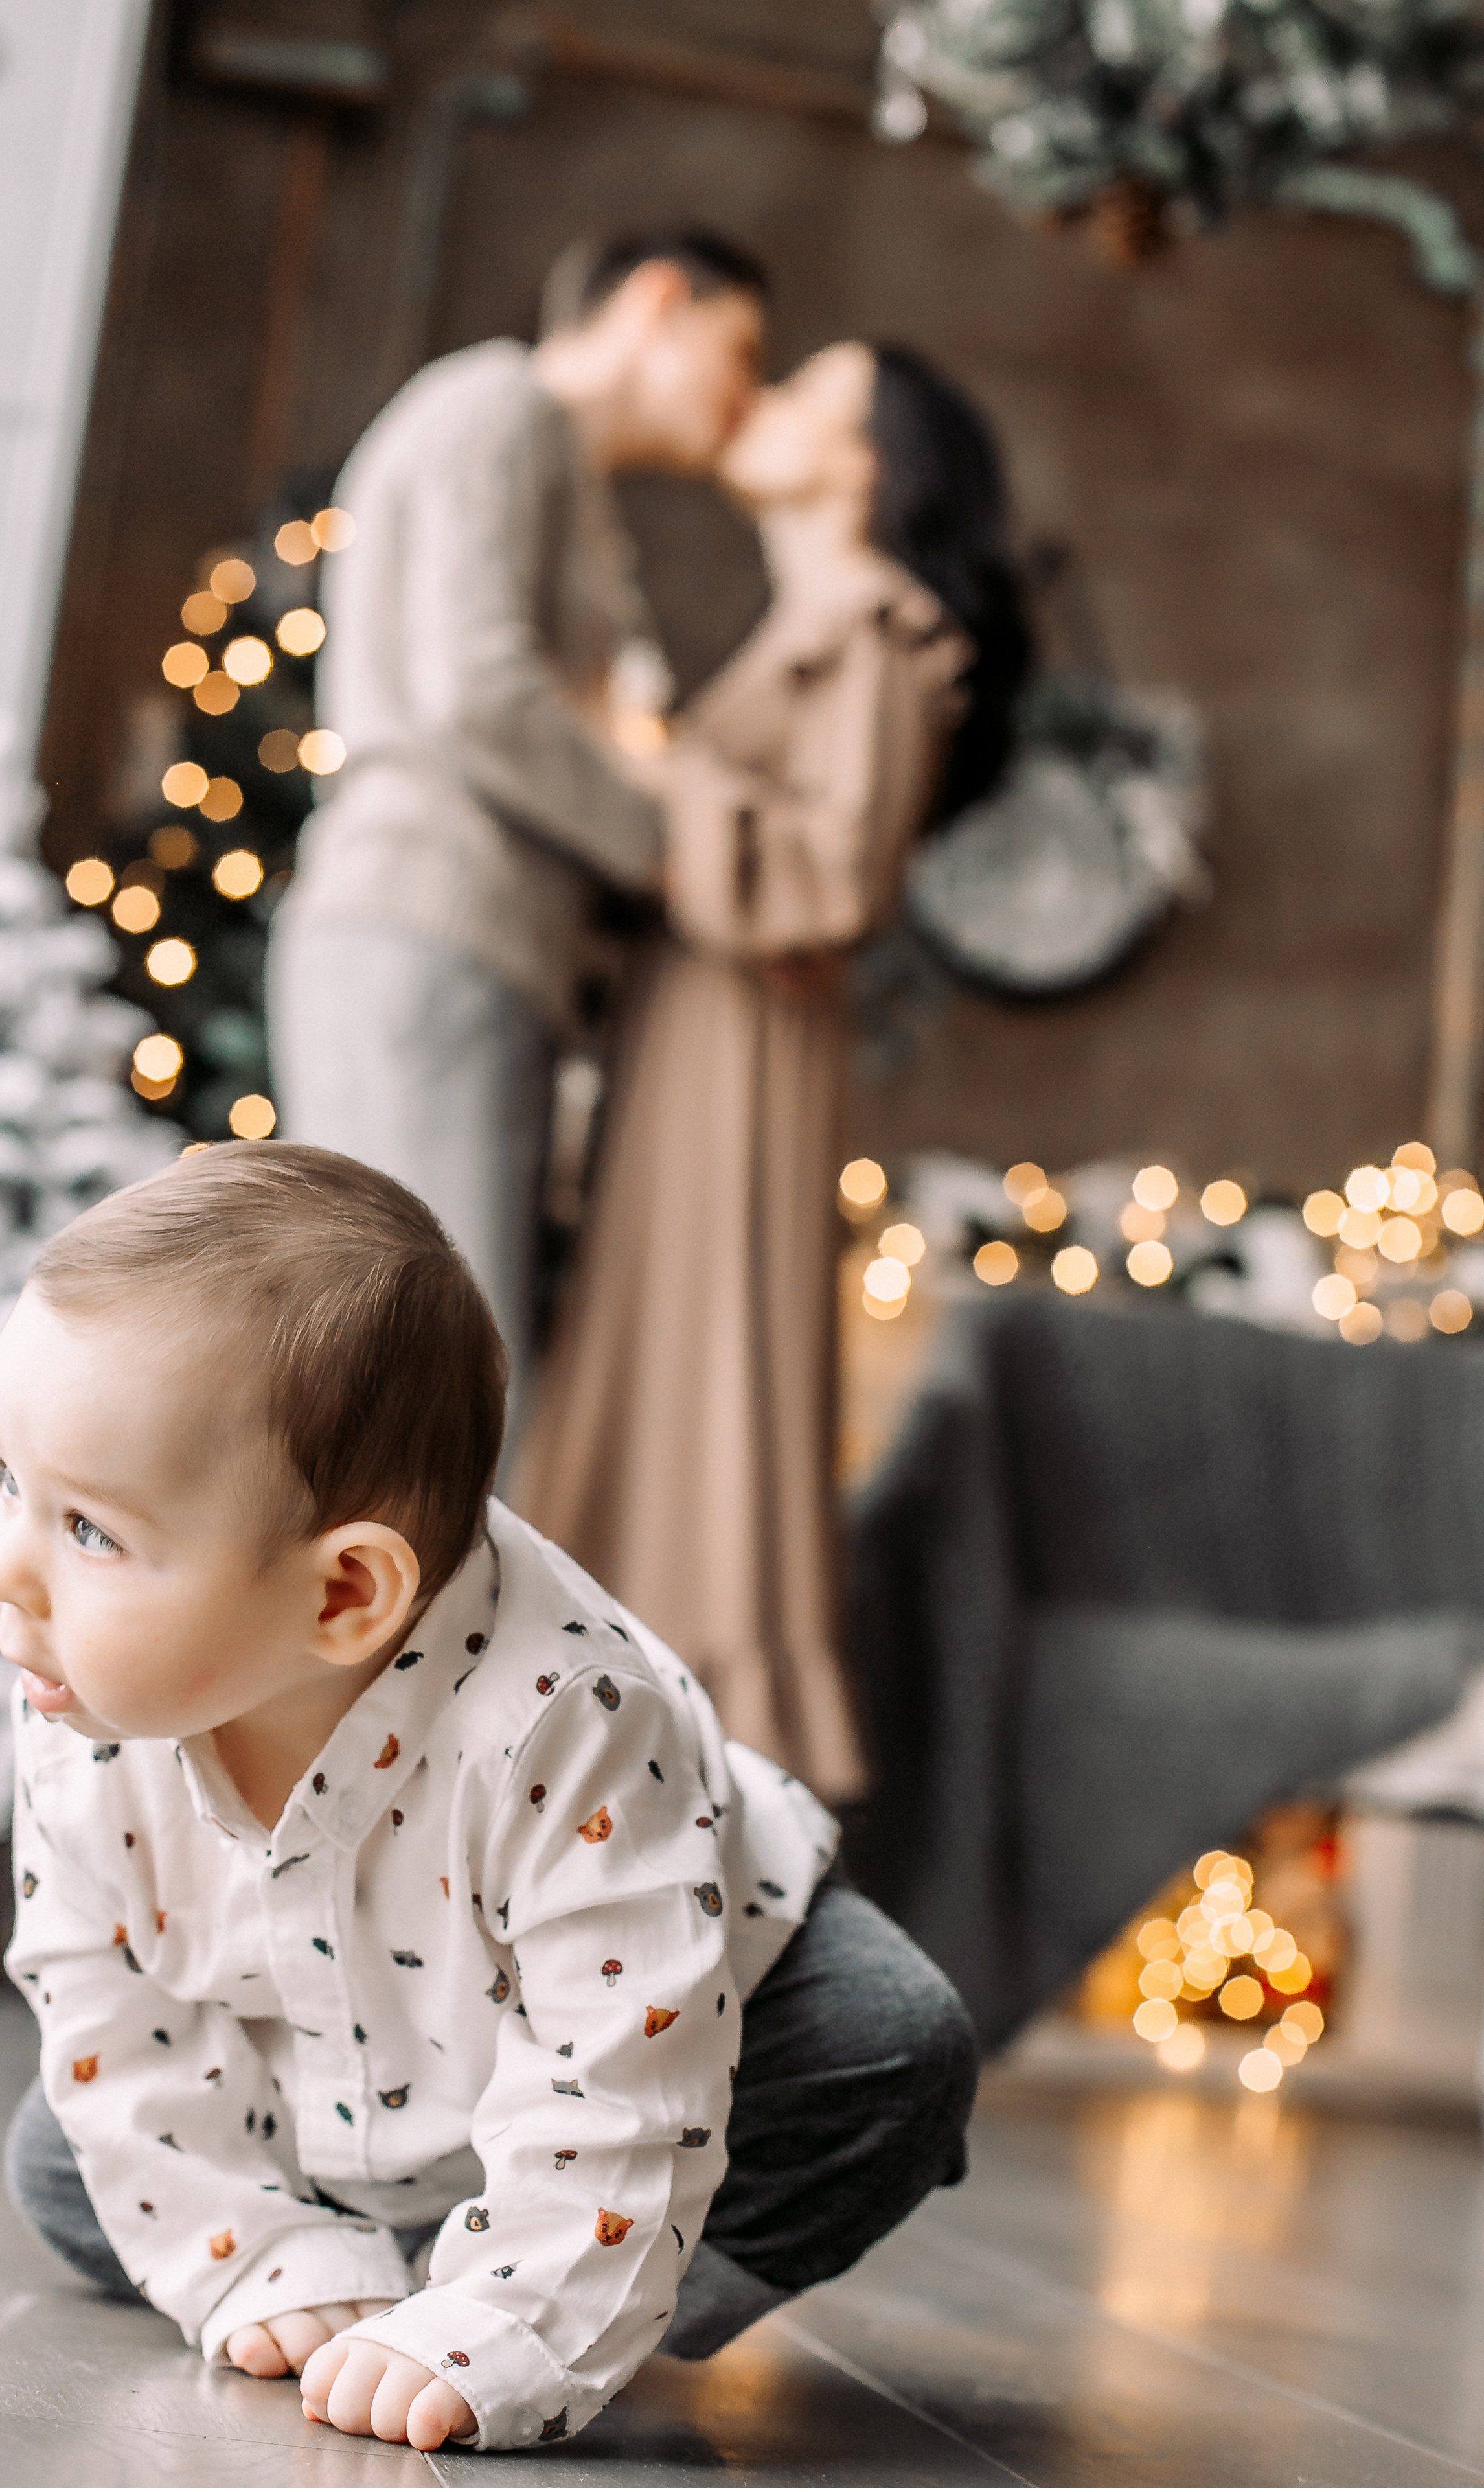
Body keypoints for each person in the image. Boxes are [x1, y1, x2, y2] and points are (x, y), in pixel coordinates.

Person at [0, 1144, 977, 2454]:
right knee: (65, 2159)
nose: (9, 1572)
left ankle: (556, 2282)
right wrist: (258, 2253)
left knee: (893, 2048)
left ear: (343, 1595)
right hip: (345, 2074)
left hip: (676, 2014)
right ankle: (382, 2255)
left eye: (92, 1532)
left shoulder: (563, 1722)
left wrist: (512, 2330)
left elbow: (623, 2070)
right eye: (12, 1485)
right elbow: (104, 2000)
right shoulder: (86, 1686)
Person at [517, 344, 1031, 1805]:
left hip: (740, 1048)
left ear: (869, 465)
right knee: (664, 1362)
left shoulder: (877, 632)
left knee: (702, 1368)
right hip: (707, 1030)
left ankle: (673, 1755)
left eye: (812, 390)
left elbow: (824, 881)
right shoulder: (823, 625)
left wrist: (655, 759)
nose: (768, 401)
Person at [266, 229, 768, 1410]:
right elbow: (476, 691)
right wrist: (668, 853)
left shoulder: (556, 465)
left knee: (414, 1373)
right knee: (433, 1385)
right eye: (737, 348)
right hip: (432, 928)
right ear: (657, 305)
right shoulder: (501, 408)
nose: (742, 395)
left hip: (459, 941)